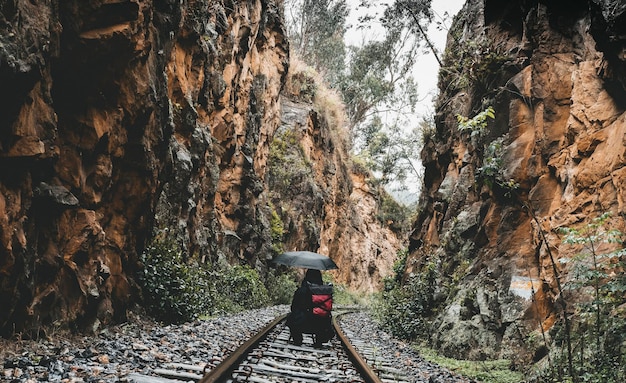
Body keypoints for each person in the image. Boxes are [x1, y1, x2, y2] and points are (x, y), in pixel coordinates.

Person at [286, 269, 334, 347]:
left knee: (291, 317)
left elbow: (293, 307)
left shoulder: (301, 290)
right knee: (324, 317)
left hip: (302, 323)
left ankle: (298, 340)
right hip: (321, 325)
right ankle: (319, 341)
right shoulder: (324, 292)